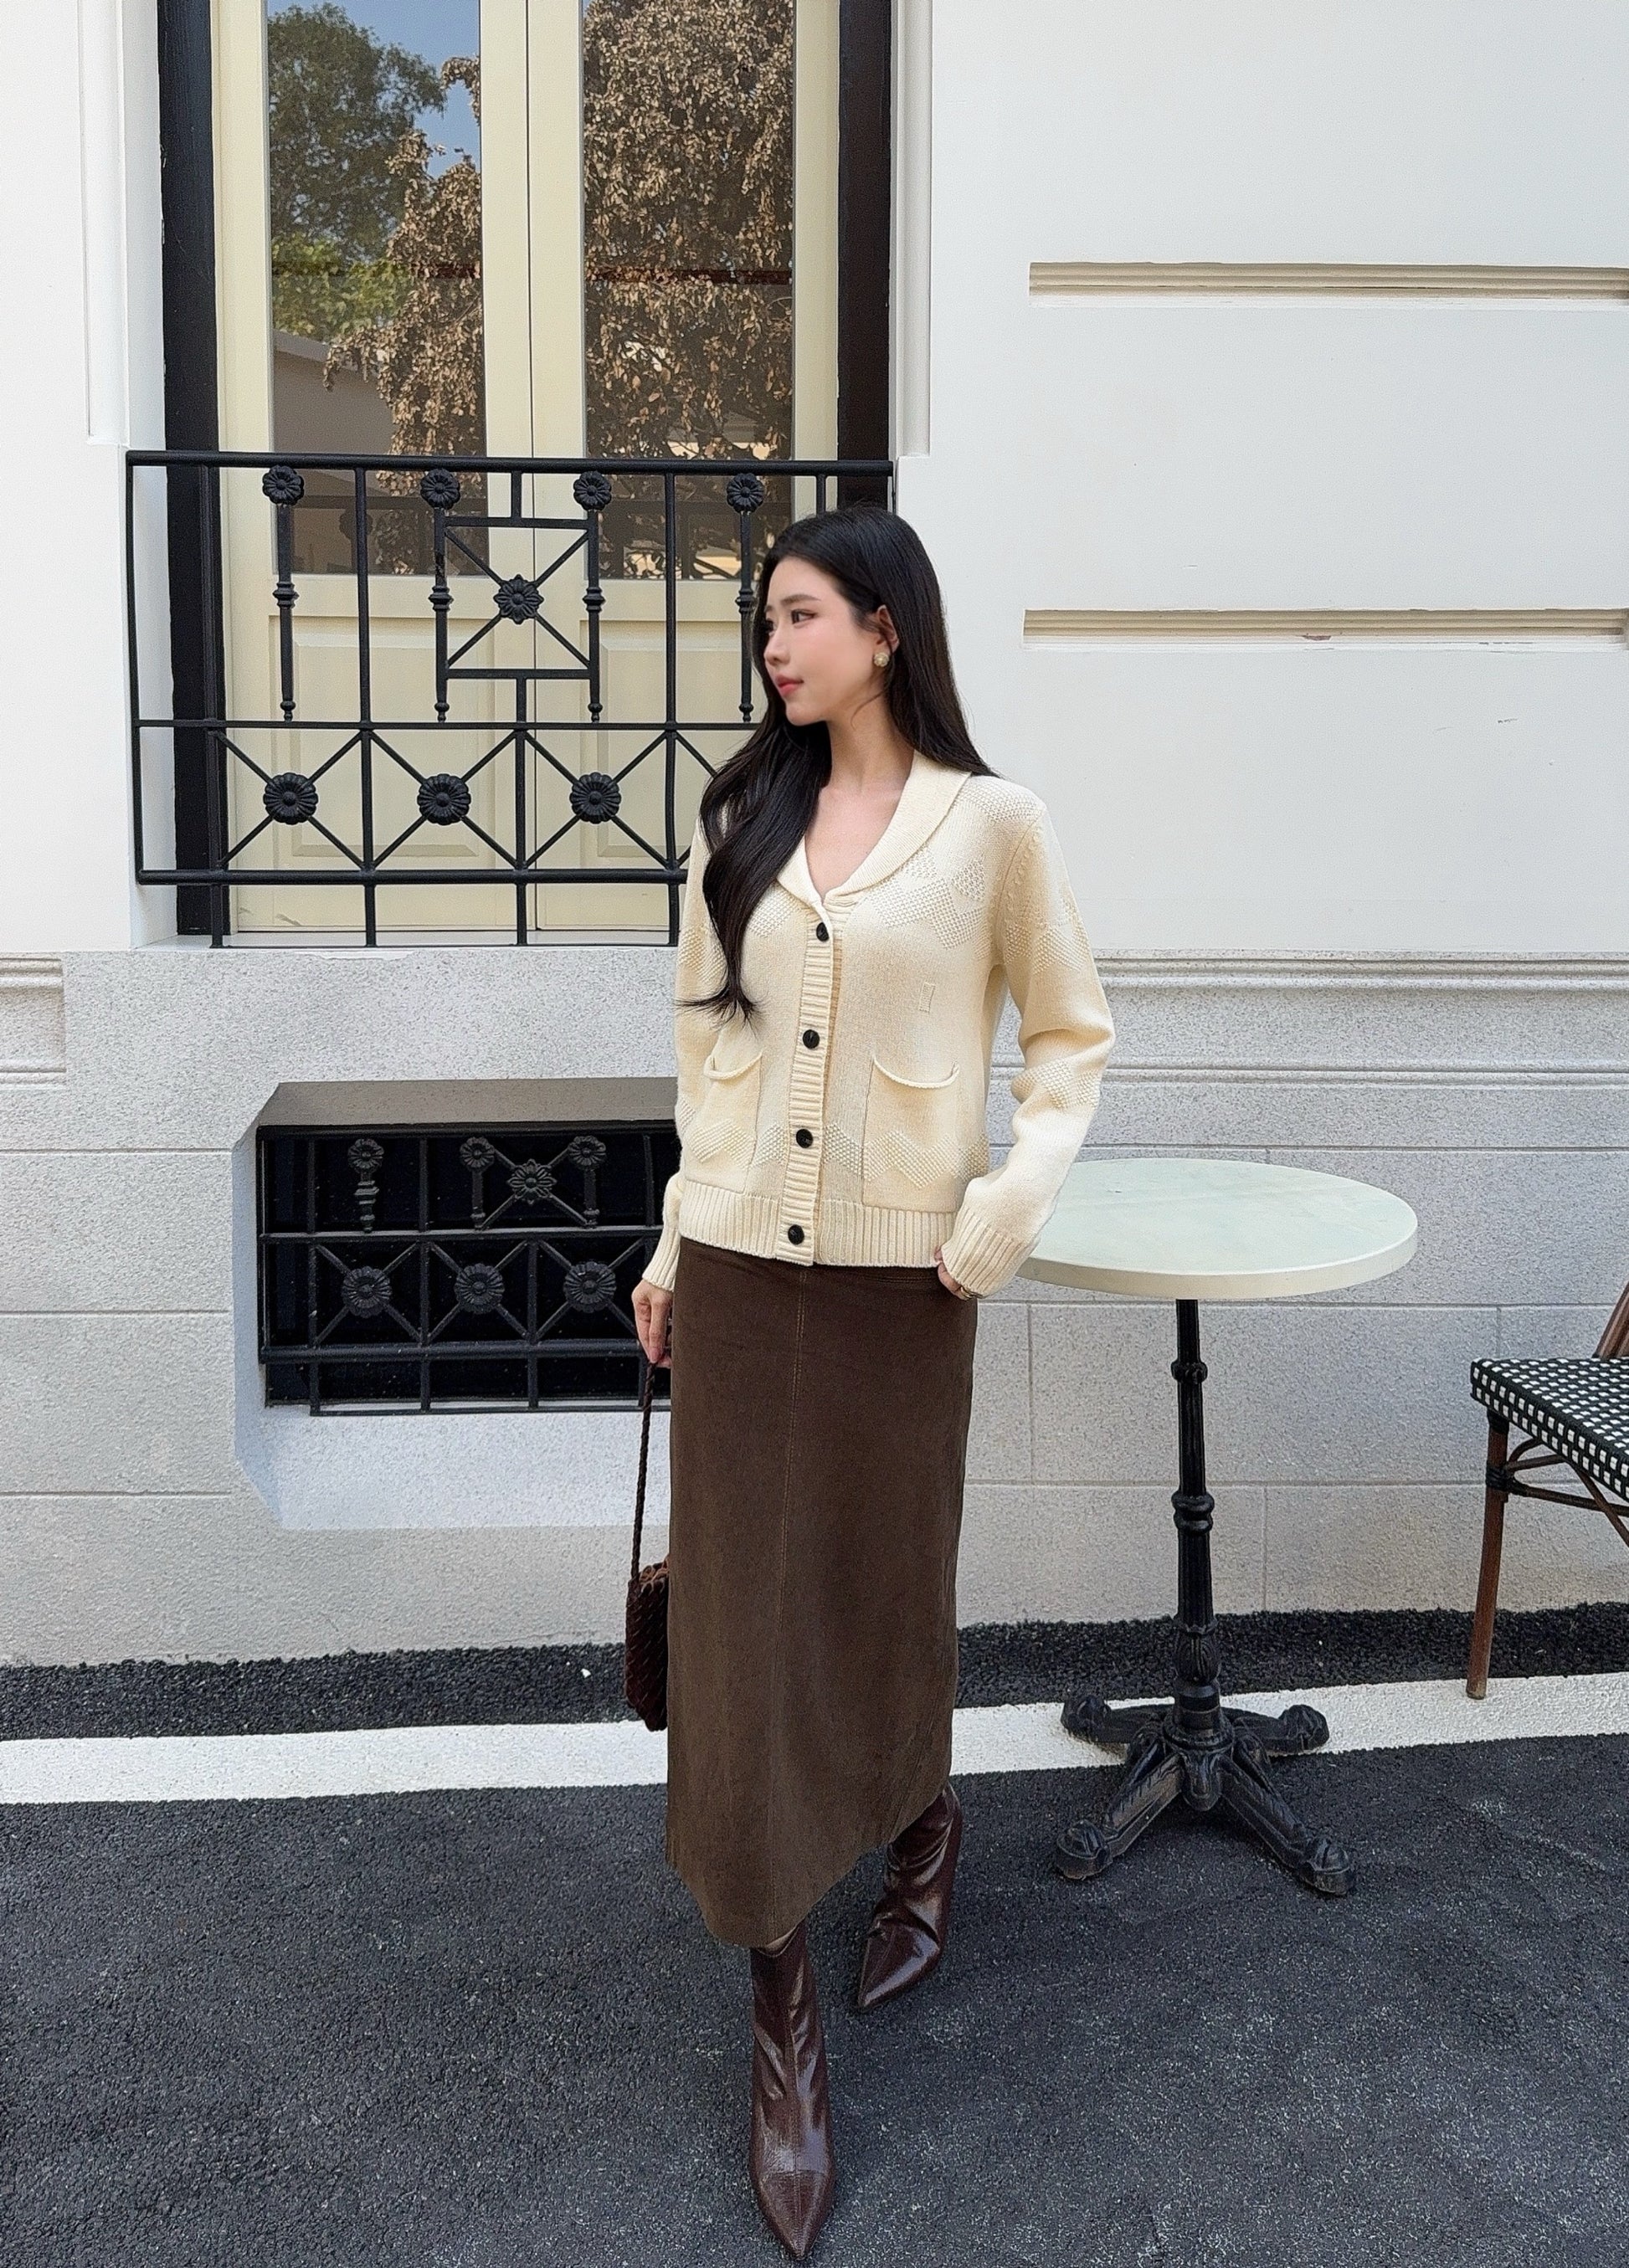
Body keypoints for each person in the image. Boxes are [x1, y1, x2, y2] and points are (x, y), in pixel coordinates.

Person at [631, 505, 1115, 2258]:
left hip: (909, 1285)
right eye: (766, 619)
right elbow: (707, 1054)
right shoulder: (738, 819)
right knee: (741, 1642)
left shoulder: (994, 828)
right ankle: (781, 2008)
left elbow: (1069, 1038)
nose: (773, 644)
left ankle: (919, 1820)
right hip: (740, 1278)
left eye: (801, 613)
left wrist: (996, 1216)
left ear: (886, 627)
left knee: (880, 1588)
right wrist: (675, 1242)